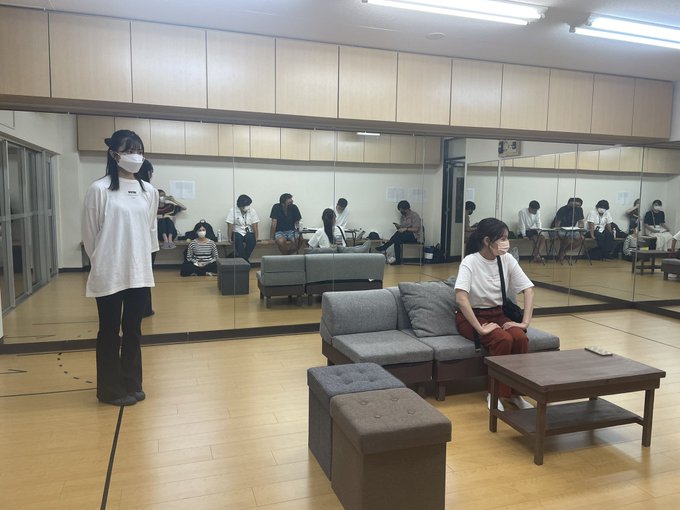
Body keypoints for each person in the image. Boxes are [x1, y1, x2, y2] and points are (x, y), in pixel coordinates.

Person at [81, 129, 159, 407]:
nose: (135, 156)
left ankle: (131, 382)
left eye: (138, 150)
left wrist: (144, 264)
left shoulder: (149, 191)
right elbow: (90, 236)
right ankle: (110, 389)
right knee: (110, 331)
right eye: (128, 150)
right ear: (114, 155)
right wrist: (104, 261)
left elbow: (150, 231)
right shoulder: (99, 189)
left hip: (139, 272)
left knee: (133, 330)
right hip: (109, 271)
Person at [454, 217, 535, 411]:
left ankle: (516, 393)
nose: (507, 243)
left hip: (498, 314)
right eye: (503, 238)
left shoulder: (506, 259)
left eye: (507, 238)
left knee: (520, 338)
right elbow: (461, 299)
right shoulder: (470, 261)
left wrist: (524, 323)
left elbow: (529, 289)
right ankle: (495, 393)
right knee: (502, 339)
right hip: (472, 317)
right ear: (487, 241)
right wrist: (480, 329)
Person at [375, 200, 422, 265]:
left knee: (398, 235)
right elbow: (402, 229)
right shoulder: (402, 217)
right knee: (397, 240)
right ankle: (398, 261)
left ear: (406, 208)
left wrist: (405, 229)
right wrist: (399, 227)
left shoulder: (414, 215)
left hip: (414, 236)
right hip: (405, 235)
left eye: (401, 210)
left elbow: (416, 229)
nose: (400, 211)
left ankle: (385, 246)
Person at [138, 159, 155, 318]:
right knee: (143, 278)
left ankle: (145, 309)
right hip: (146, 241)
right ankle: (144, 309)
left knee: (144, 278)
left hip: (148, 242)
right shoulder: (149, 190)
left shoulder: (149, 190)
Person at [227, 194, 260, 262]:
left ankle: (242, 260)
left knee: (252, 241)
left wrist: (256, 237)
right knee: (238, 241)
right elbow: (230, 225)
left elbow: (255, 224)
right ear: (241, 205)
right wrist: (229, 238)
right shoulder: (232, 210)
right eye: (246, 205)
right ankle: (245, 262)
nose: (248, 207)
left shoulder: (252, 211)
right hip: (236, 231)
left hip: (248, 231)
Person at [553, 197, 585, 263]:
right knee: (566, 239)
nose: (576, 207)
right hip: (560, 229)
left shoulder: (579, 209)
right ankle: (561, 255)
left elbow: (581, 222)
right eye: (575, 205)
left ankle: (564, 252)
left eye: (578, 205)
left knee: (581, 239)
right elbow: (557, 224)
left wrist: (581, 233)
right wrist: (558, 233)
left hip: (571, 229)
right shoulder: (562, 209)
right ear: (570, 203)